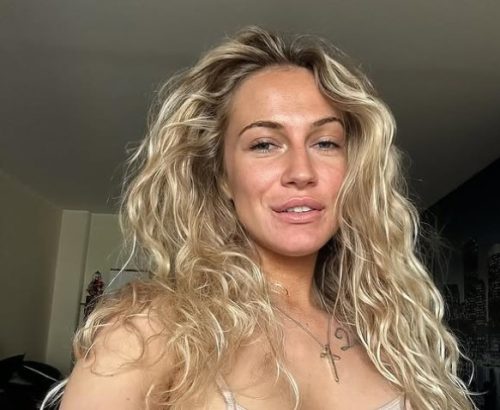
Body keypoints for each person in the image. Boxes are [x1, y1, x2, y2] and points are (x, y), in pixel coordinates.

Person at [46, 26, 475, 409]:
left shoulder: (391, 334)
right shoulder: (148, 331)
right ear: (222, 177)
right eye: (264, 144)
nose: (301, 172)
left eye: (326, 142)